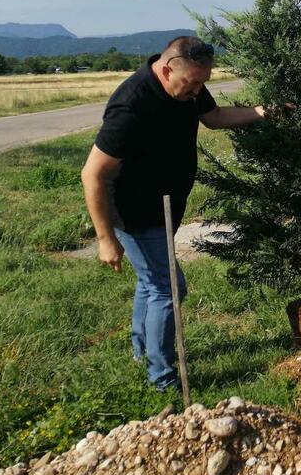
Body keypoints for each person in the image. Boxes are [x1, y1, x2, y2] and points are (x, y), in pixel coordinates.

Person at [81, 35, 273, 391]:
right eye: (192, 83)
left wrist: (260, 112)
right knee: (168, 288)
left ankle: (142, 350)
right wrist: (105, 238)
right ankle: (163, 378)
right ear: (168, 69)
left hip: (166, 206)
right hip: (133, 212)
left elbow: (214, 117)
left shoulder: (190, 86)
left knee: (151, 281)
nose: (198, 90)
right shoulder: (131, 106)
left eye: (203, 82)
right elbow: (92, 174)